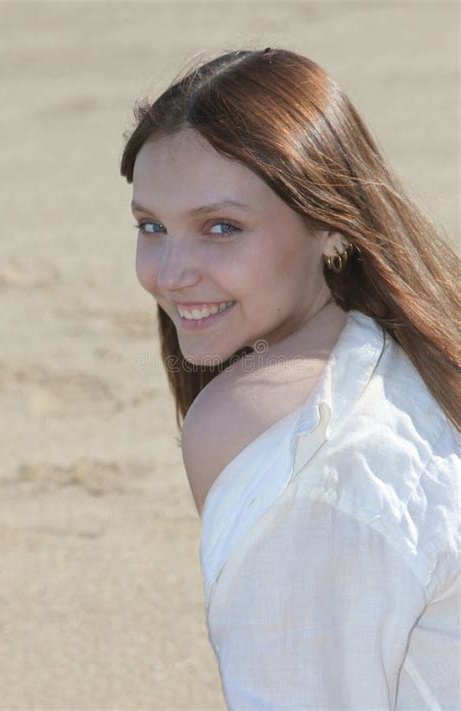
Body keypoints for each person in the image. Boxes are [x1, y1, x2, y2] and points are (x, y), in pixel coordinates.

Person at [120, 48, 460, 709]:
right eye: (151, 226)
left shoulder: (267, 421)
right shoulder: (416, 354)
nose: (169, 271)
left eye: (222, 226)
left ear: (330, 223)